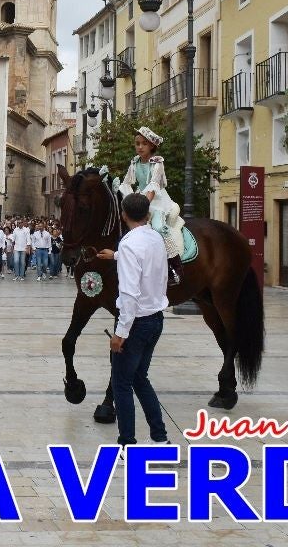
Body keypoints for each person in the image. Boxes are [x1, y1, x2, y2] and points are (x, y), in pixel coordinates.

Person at [107, 192, 170, 448]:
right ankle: (159, 437)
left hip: (136, 323)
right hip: (156, 318)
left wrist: (121, 333)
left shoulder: (129, 243)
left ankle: (127, 443)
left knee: (121, 383)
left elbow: (130, 293)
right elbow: (145, 264)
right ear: (148, 214)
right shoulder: (156, 238)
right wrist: (113, 255)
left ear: (123, 214)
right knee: (140, 378)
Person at [118, 127, 184, 287]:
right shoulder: (134, 162)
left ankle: (174, 267)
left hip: (157, 200)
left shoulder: (157, 163)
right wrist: (128, 200)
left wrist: (141, 206)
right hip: (140, 196)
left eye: (144, 144)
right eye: (137, 144)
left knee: (158, 227)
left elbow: (154, 185)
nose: (140, 147)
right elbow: (127, 183)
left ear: (152, 146)